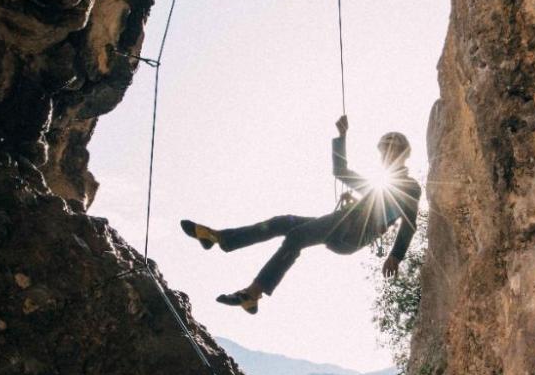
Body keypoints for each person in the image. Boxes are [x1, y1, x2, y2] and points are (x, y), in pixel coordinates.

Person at [180, 115, 420, 313]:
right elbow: (341, 172)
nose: (385, 156)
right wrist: (342, 138)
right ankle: (222, 238)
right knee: (282, 223)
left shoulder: (408, 187)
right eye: (383, 151)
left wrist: (396, 256)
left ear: (402, 154)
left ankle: (253, 292)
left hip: (351, 234)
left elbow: (407, 224)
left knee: (296, 237)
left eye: (390, 151)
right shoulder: (377, 183)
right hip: (343, 227)